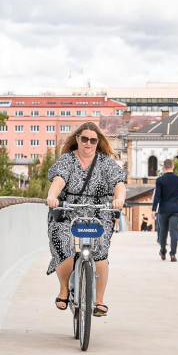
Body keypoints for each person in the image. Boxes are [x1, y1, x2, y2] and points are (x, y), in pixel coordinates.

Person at [46, 122, 126, 317]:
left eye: (93, 140)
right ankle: (64, 290)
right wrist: (53, 196)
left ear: (98, 142)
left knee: (100, 252)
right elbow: (59, 180)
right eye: (84, 139)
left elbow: (119, 183)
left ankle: (99, 300)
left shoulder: (105, 163)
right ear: (78, 139)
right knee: (63, 244)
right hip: (68, 210)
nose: (88, 143)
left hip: (99, 211)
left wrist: (119, 199)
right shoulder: (67, 160)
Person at [152, 159, 178, 262]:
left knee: (163, 232)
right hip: (175, 209)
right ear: (173, 167)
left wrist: (153, 210)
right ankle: (173, 254)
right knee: (173, 232)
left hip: (163, 209)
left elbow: (157, 196)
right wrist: (177, 194)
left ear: (163, 168)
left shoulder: (160, 180)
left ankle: (163, 252)